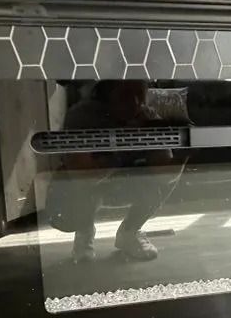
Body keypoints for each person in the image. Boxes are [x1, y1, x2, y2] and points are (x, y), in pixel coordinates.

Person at [45, 81, 184, 262]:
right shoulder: (83, 116)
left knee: (160, 182)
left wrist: (185, 154)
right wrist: (124, 142)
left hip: (124, 183)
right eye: (126, 94)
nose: (134, 103)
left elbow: (165, 175)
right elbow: (83, 176)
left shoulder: (148, 117)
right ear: (108, 91)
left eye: (140, 95)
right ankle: (84, 229)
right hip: (85, 188)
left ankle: (130, 231)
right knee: (68, 207)